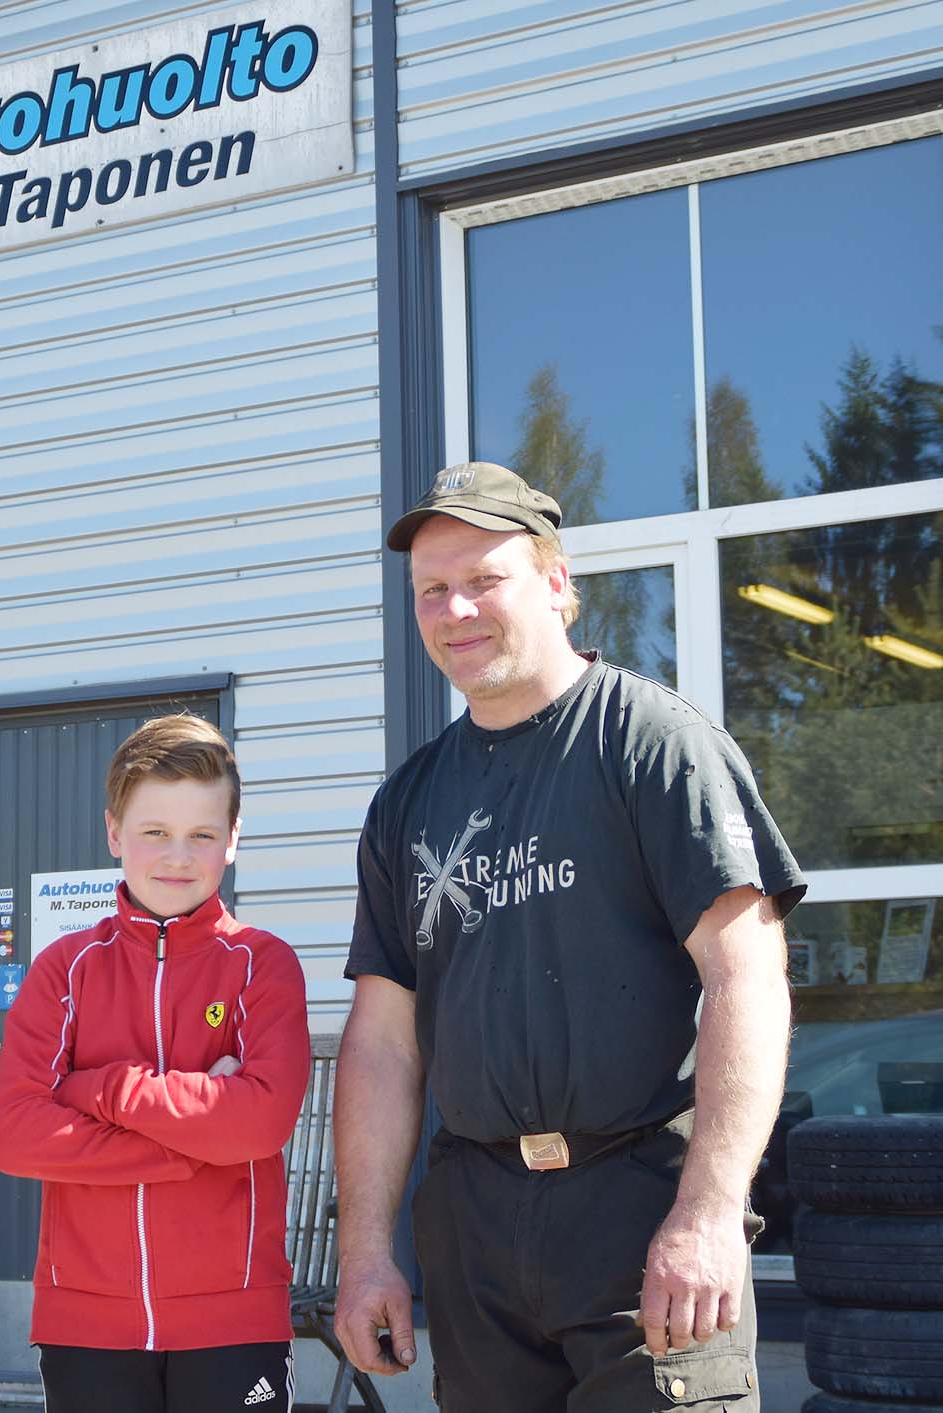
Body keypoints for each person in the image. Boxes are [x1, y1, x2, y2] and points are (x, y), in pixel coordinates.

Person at [333, 463, 805, 1411]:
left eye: (484, 579)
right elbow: (382, 1043)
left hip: (640, 1212)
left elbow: (747, 977)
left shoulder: (652, 743)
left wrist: (710, 1211)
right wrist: (366, 1252)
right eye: (432, 588)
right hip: (475, 1231)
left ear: (555, 582)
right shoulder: (407, 804)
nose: (456, 609)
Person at [0, 715, 310, 1413]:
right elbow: (15, 1135)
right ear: (114, 832)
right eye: (155, 831)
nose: (178, 856)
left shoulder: (263, 964)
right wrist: (192, 1144)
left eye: (203, 834)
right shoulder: (63, 970)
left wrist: (101, 1088)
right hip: (85, 1319)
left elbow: (260, 1124)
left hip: (234, 1316)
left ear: (233, 838)